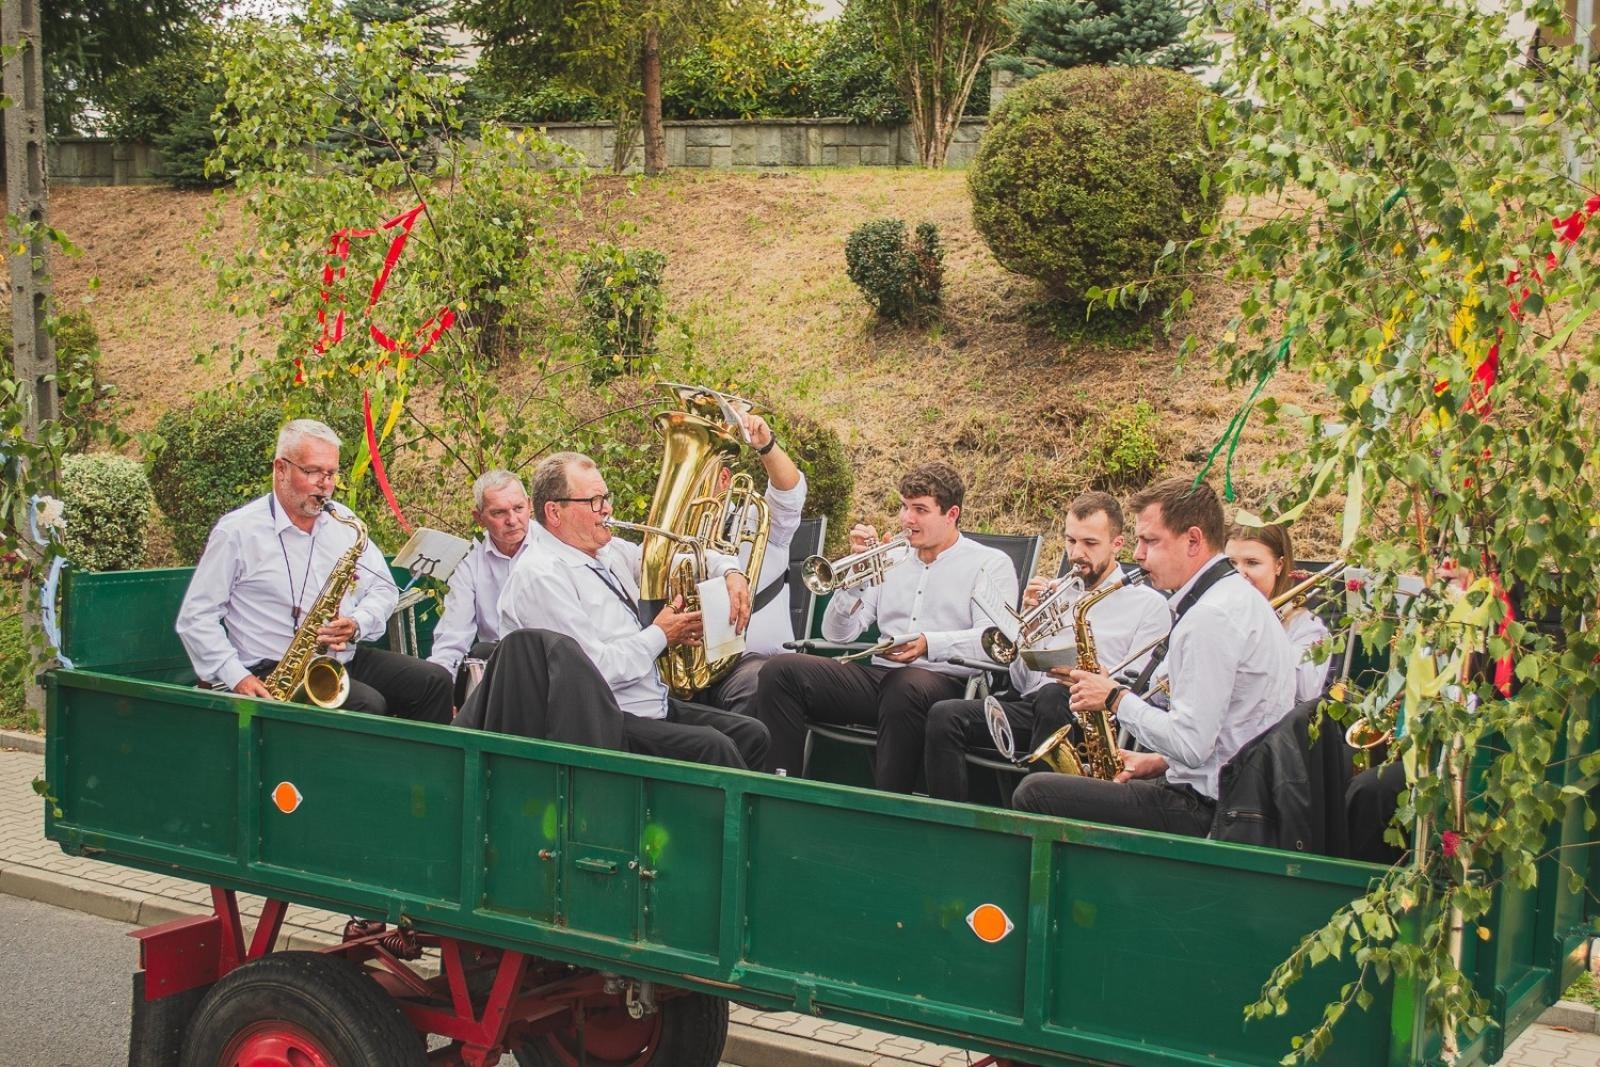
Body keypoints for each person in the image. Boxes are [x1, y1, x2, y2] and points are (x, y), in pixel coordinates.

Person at [1012, 477, 1295, 836]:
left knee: (1036, 793)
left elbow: (1191, 746)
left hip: (1212, 810)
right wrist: (1155, 762)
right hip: (1228, 794)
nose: (1140, 555)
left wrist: (1113, 698)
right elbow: (1224, 732)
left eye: (1150, 541)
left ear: (1193, 540)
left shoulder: (1211, 617)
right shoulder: (1233, 599)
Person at [497, 451, 770, 770]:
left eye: (606, 497)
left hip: (647, 704)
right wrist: (661, 635)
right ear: (555, 512)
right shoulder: (541, 576)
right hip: (601, 726)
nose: (607, 508)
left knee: (753, 735)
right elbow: (592, 672)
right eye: (594, 501)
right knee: (716, 749)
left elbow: (673, 560)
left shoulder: (605, 552)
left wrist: (730, 572)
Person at [753, 462, 1019, 787]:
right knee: (780, 671)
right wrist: (854, 579)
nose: (908, 519)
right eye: (905, 507)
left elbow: (994, 642)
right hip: (881, 677)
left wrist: (928, 643)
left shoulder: (990, 563)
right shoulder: (893, 559)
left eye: (920, 510)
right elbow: (837, 634)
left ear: (951, 514)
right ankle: (779, 789)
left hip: (946, 683)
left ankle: (888, 806)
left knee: (904, 686)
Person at [175, 419, 453, 724]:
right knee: (367, 705)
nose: (325, 484)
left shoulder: (343, 522)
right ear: (280, 469)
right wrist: (237, 677)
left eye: (331, 473)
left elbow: (383, 588)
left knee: (434, 682)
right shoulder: (238, 532)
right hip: (274, 671)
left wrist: (357, 623)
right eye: (312, 471)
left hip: (340, 658)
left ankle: (419, 771)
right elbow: (196, 617)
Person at [922, 492, 1170, 802]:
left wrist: (1099, 679)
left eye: (1090, 544)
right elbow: (1019, 681)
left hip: (1091, 719)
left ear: (1117, 545)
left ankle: (1033, 819)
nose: (1076, 553)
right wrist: (1028, 625)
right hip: (1034, 706)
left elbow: (1139, 687)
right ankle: (950, 828)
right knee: (945, 716)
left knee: (1054, 695)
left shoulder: (1148, 605)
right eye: (1070, 541)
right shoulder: (1058, 594)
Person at [691, 413, 806, 716]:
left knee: (756, 686)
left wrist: (766, 446)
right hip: (686, 661)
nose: (689, 487)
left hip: (749, 662)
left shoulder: (756, 520)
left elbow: (790, 495)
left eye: (698, 477)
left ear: (725, 479)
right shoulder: (674, 534)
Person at [427, 470, 532, 705]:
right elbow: (454, 636)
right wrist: (438, 690)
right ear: (479, 517)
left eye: (518, 508)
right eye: (499, 513)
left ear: (530, 505)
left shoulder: (553, 548)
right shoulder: (469, 564)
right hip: (499, 669)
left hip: (555, 662)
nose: (512, 520)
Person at [1225, 522, 1332, 704]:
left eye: (1252, 563)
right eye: (1231, 563)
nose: (1239, 574)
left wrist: (1258, 631)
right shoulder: (1211, 612)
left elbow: (1307, 691)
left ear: (1278, 565)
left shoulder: (1307, 628)